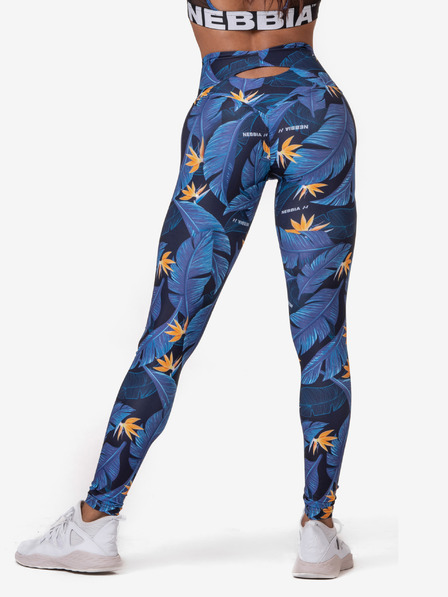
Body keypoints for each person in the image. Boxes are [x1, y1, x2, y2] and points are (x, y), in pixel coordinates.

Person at [15, 0, 357, 579]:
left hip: (226, 114)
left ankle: (96, 523)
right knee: (322, 333)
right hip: (317, 109)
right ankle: (318, 531)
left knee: (169, 330)